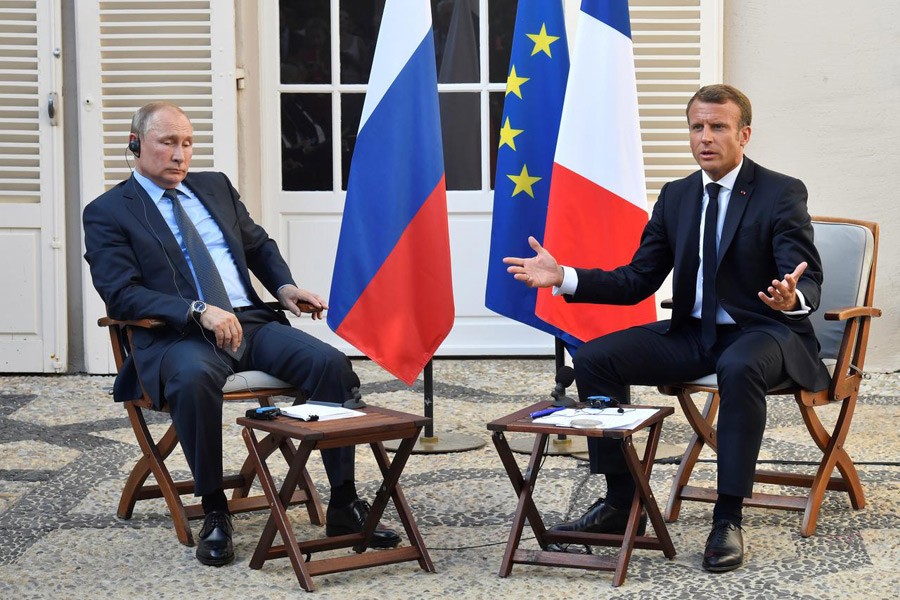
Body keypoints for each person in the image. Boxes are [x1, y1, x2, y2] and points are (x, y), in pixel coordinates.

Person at [503, 84, 828, 573]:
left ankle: (728, 516)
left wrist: (792, 298)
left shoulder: (780, 192)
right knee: (594, 359)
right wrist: (565, 276)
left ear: (744, 134)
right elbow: (638, 280)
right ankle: (621, 501)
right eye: (697, 127)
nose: (705, 137)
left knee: (739, 367)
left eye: (718, 127)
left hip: (764, 331)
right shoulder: (677, 196)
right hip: (695, 333)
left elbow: (806, 274)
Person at [83, 102, 400, 567]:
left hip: (249, 322)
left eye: (187, 143)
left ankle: (344, 503)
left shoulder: (214, 187)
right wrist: (197, 310)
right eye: (167, 143)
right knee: (193, 379)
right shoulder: (108, 212)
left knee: (330, 365)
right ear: (135, 144)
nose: (180, 155)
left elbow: (258, 245)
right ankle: (215, 510)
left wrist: (284, 286)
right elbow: (121, 294)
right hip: (177, 336)